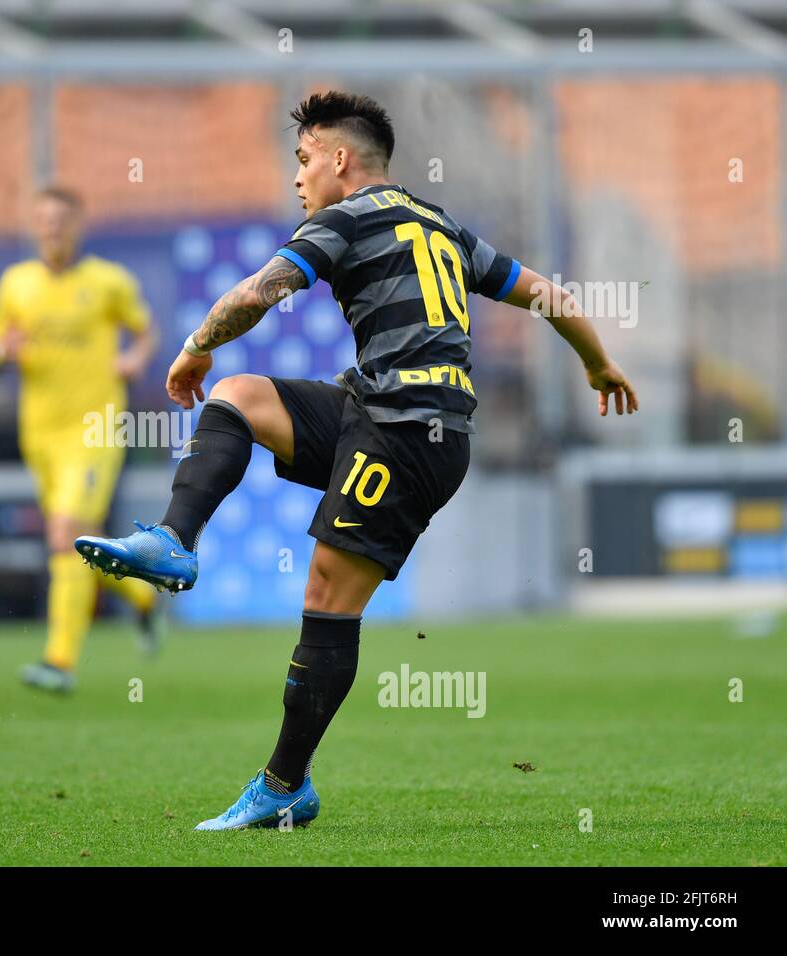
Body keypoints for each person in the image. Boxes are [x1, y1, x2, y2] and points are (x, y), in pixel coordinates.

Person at [77, 91, 639, 829]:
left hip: (411, 431)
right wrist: (597, 365)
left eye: (305, 161)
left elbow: (259, 292)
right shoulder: (440, 224)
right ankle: (174, 542)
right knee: (240, 397)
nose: (298, 179)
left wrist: (193, 348)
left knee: (326, 595)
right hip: (375, 407)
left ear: (341, 159)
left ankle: (284, 784)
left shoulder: (343, 219)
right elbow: (549, 295)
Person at [0, 186, 162, 693]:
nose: (52, 228)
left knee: (64, 535)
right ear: (34, 226)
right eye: (43, 220)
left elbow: (146, 330)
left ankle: (59, 662)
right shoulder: (16, 284)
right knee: (76, 548)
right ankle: (143, 598)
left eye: (61, 219)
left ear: (79, 225)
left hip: (95, 429)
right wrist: (2, 352)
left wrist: (134, 358)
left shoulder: (108, 282)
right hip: (39, 432)